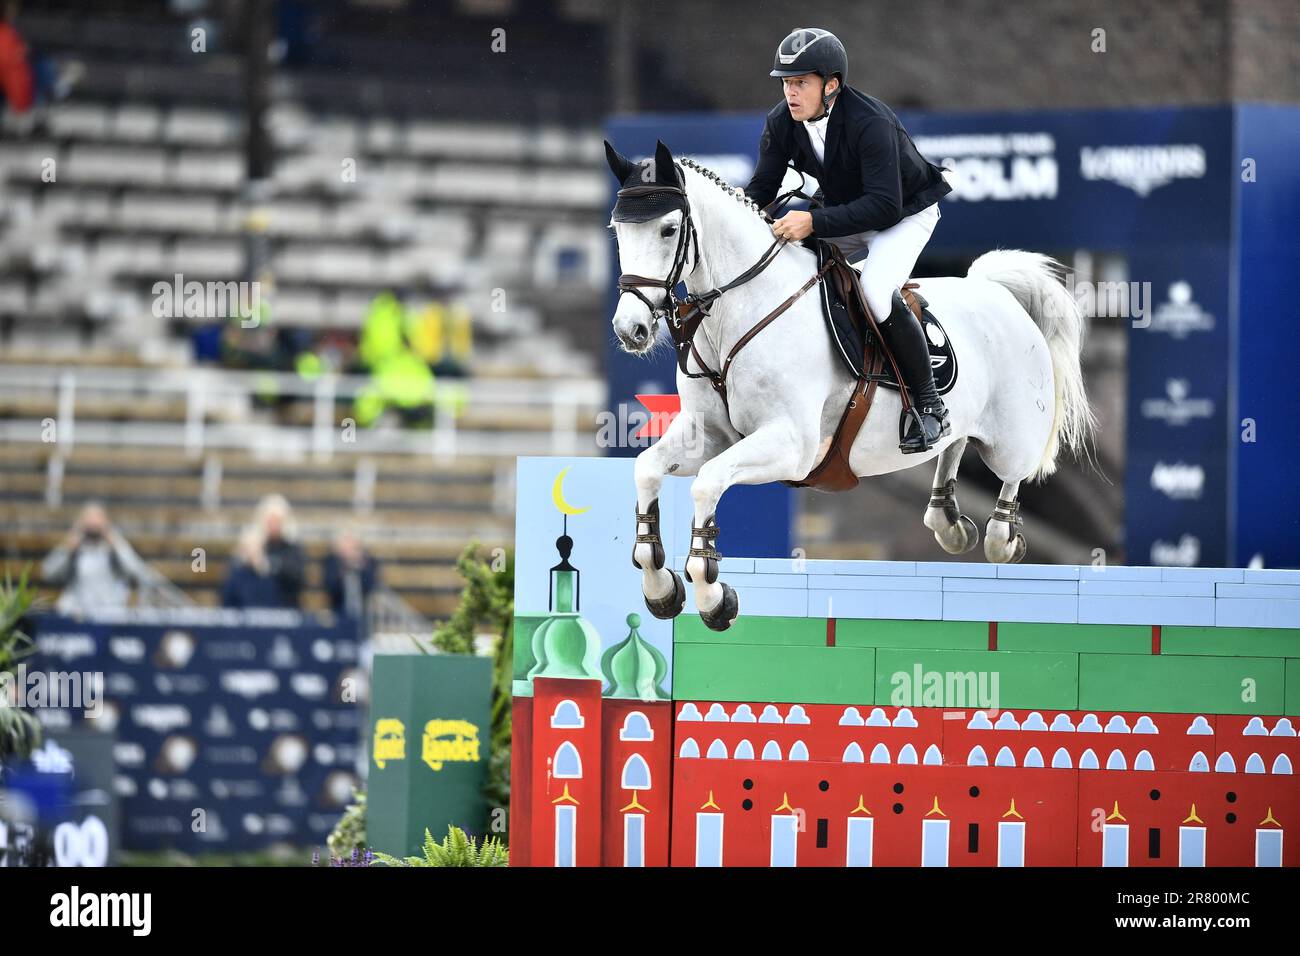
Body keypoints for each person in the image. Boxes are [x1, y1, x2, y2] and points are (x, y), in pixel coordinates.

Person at [744, 27, 954, 454]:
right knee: (787, 269)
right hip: (847, 208)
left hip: (904, 213)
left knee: (875, 290)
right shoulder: (782, 121)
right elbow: (762, 190)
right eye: (786, 82)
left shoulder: (869, 121)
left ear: (832, 84)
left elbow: (884, 208)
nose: (790, 92)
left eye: (801, 82)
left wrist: (812, 222)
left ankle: (929, 406)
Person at [41, 503, 149, 614]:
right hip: (76, 611)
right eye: (88, 519)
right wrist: (66, 550)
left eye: (97, 518)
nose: (93, 523)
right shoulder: (73, 547)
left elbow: (137, 571)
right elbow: (47, 573)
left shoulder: (116, 546)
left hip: (110, 612)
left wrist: (118, 546)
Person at [222, 495, 305, 609]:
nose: (274, 525)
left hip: (283, 607)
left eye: (277, 520)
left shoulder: (292, 549)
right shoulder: (254, 544)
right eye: (270, 520)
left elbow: (296, 579)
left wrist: (268, 565)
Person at [322, 528, 380, 623]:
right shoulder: (332, 561)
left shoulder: (367, 561)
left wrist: (360, 567)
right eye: (345, 542)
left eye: (351, 543)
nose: (348, 547)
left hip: (363, 611)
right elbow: (330, 586)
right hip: (337, 609)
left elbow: (371, 585)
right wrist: (343, 570)